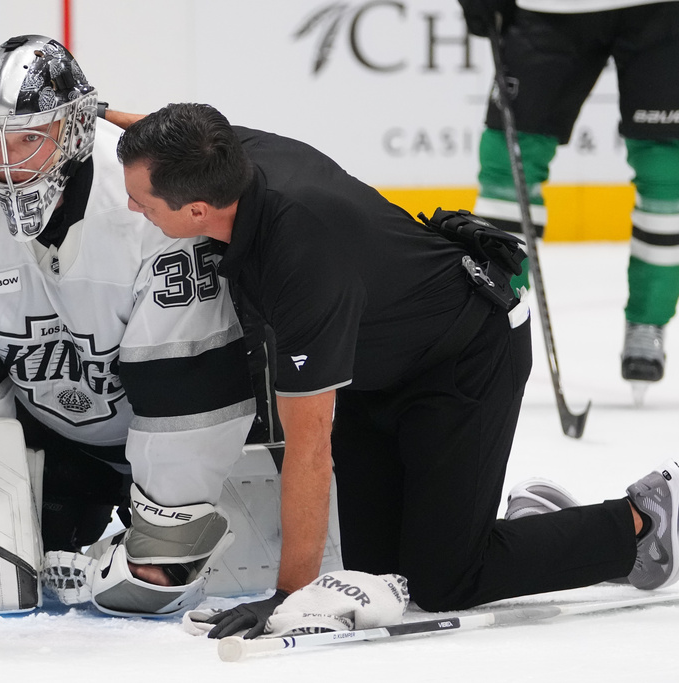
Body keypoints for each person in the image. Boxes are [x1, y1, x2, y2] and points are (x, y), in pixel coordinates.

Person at [116, 102, 679, 637]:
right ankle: (531, 526)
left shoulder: (302, 262)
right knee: (378, 575)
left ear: (196, 210)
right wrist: (86, 111)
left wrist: (289, 598)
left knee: (445, 581)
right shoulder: (219, 152)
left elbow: (310, 448)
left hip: (466, 356)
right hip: (377, 363)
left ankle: (643, 519)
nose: (134, 210)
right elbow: (160, 130)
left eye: (143, 203)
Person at [0, 35, 256, 615]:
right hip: (56, 438)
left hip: (175, 431)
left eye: (30, 136)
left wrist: (165, 534)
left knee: (153, 589)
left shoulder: (149, 203)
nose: (7, 160)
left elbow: (188, 381)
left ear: (77, 128)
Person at [458, 0, 679, 388]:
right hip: (548, 9)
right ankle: (495, 319)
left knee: (666, 172)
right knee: (510, 165)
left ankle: (649, 321)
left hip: (662, 11)